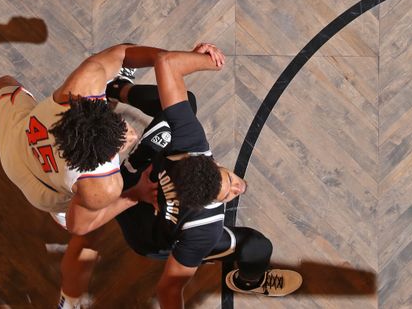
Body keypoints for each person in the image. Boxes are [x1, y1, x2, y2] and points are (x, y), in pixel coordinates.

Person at [0, 43, 207, 309]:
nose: (123, 126)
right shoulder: (103, 184)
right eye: (118, 127)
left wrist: (172, 58)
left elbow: (121, 52)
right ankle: (68, 302)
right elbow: (77, 225)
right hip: (47, 194)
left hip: (18, 147)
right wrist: (133, 194)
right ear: (109, 152)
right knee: (88, 237)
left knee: (3, 88)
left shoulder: (74, 92)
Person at [105, 44, 302, 307]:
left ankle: (115, 89)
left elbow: (166, 63)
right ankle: (249, 282)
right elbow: (169, 291)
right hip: (144, 234)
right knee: (256, 246)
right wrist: (205, 62)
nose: (239, 188)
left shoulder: (190, 144)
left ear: (208, 163)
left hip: (131, 182)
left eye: (230, 181)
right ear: (202, 205)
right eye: (230, 193)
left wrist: (203, 59)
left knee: (185, 101)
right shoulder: (203, 229)